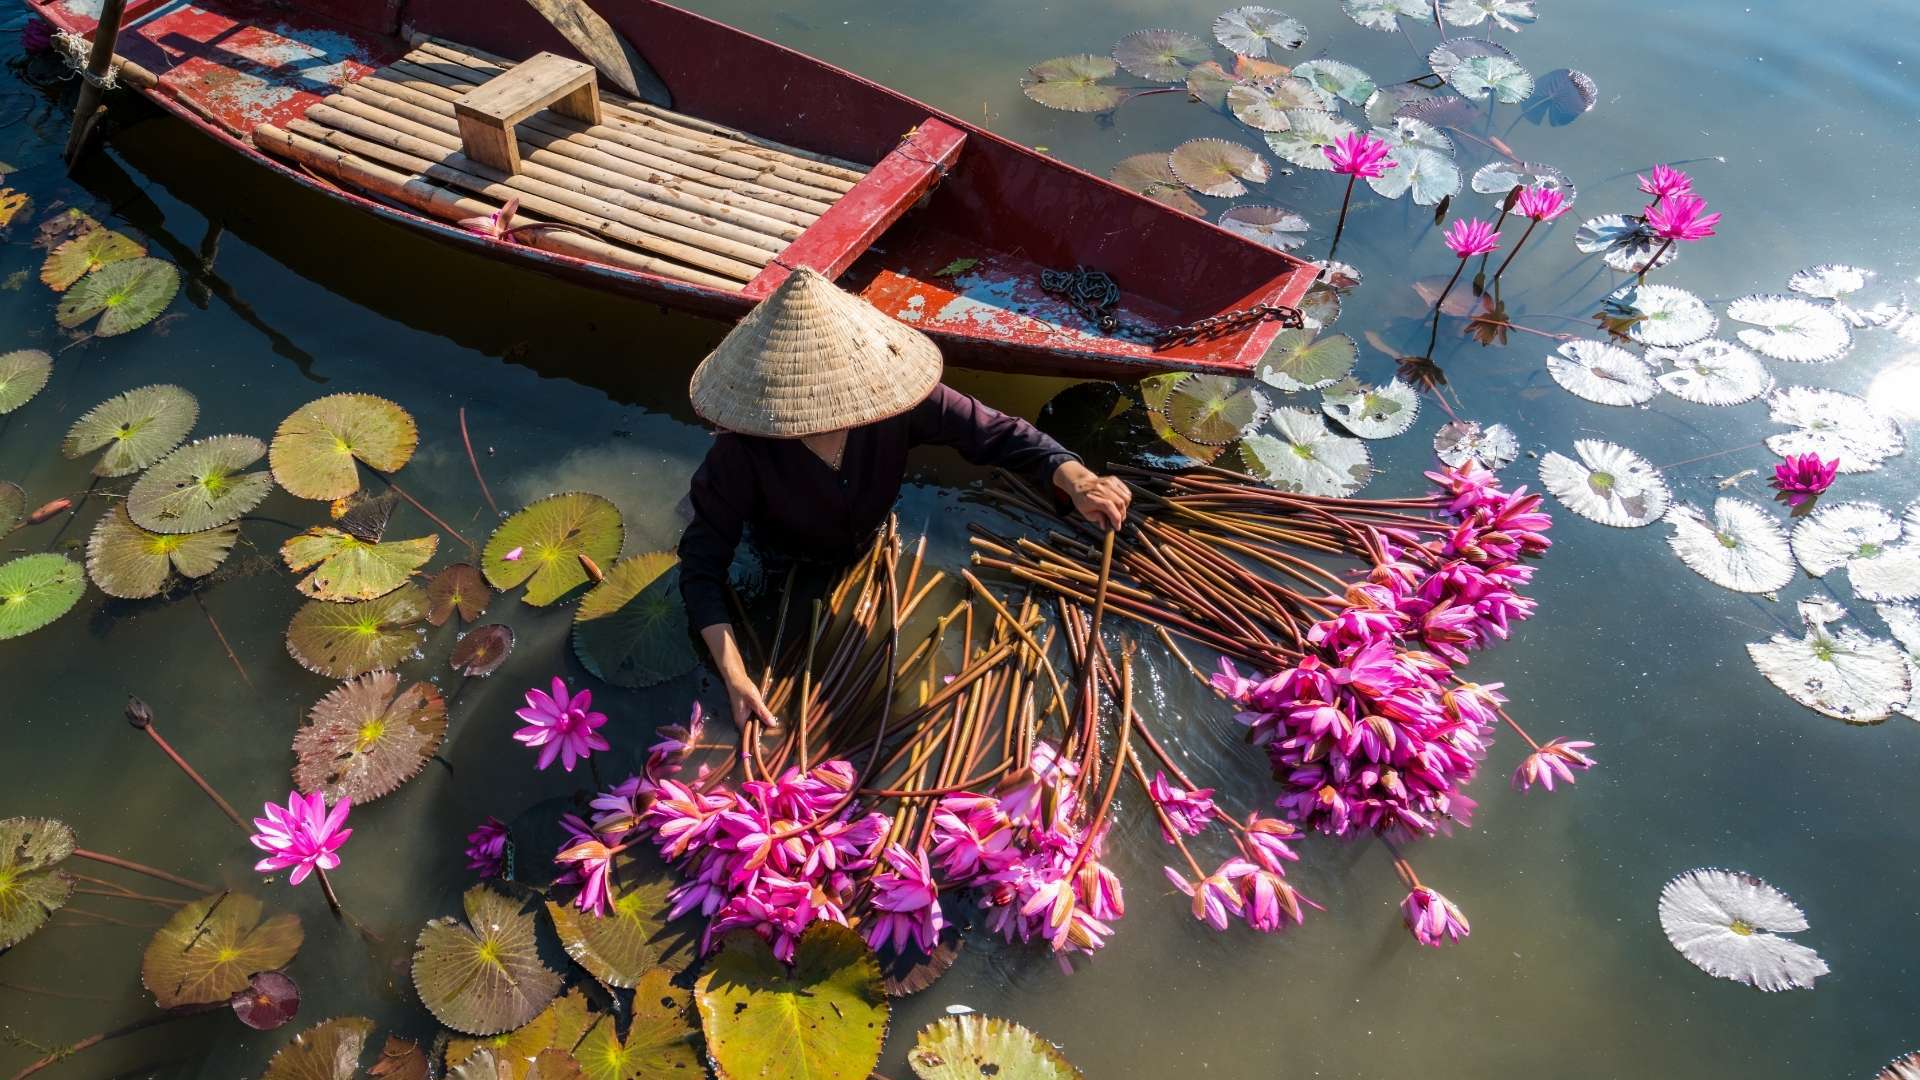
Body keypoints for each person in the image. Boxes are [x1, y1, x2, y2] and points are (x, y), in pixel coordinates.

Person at [678, 267, 1130, 731]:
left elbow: (996, 432)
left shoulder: (893, 401)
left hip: (867, 536)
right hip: (781, 555)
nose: (827, 414)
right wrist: (735, 676)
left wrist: (1075, 477)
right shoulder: (741, 453)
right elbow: (699, 570)